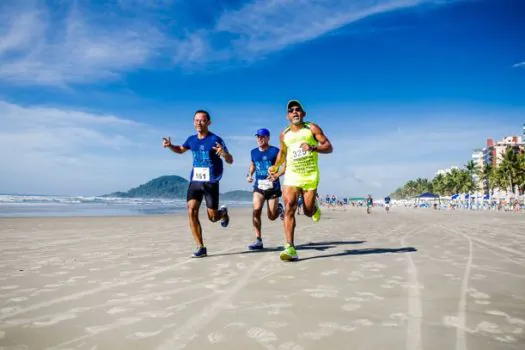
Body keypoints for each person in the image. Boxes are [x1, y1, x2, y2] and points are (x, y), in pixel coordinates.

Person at [162, 110, 233, 258]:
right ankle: (201, 247)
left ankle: (223, 213)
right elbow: (181, 150)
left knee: (213, 217)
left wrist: (224, 153)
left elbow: (230, 160)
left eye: (202, 120)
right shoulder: (191, 139)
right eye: (196, 120)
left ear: (208, 122)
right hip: (195, 180)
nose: (198, 123)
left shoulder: (215, 139)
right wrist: (170, 146)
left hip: (211, 181)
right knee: (191, 210)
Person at [269, 100, 333, 261]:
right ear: (287, 116)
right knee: (289, 205)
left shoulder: (311, 128)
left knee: (308, 211)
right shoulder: (284, 134)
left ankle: (313, 207)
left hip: (310, 175)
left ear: (303, 114)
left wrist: (313, 148)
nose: (295, 112)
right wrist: (276, 167)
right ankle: (290, 247)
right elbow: (282, 153)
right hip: (292, 175)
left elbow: (329, 147)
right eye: (291, 110)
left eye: (298, 110)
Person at [246, 128, 285, 250]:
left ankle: (278, 209)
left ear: (268, 138)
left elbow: (285, 165)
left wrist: (277, 175)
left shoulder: (275, 151)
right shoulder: (253, 152)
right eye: (257, 136)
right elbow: (253, 163)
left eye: (262, 136)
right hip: (259, 187)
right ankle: (258, 240)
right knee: (256, 210)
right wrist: (250, 175)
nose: (259, 139)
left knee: (272, 217)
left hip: (273, 187)